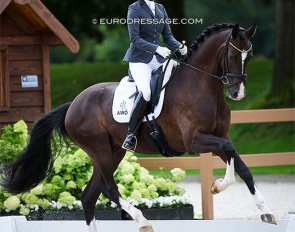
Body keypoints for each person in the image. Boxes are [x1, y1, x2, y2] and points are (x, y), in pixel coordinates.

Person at [122, 0, 187, 151]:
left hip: (158, 60)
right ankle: (131, 135)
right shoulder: (134, 8)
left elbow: (168, 37)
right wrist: (157, 48)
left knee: (178, 80)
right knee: (146, 92)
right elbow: (135, 39)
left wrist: (180, 47)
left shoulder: (160, 8)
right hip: (139, 60)